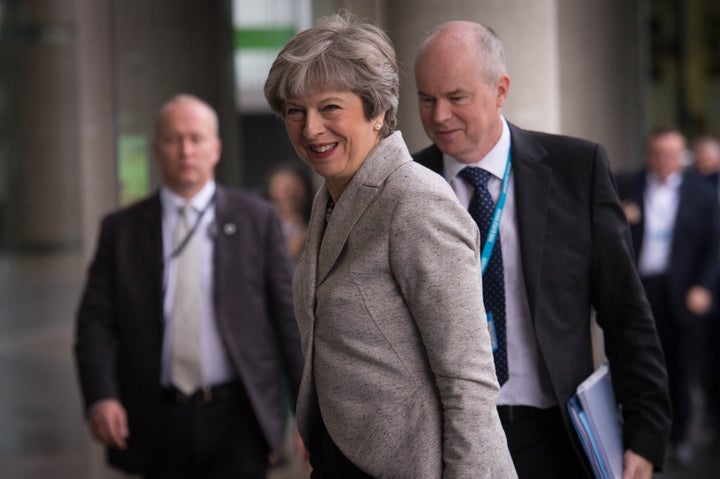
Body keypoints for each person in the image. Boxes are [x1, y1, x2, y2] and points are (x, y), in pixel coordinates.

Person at [413, 21, 671, 478]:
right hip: (446, 442)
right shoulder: (407, 187)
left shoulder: (577, 170)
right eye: (426, 99)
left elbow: (626, 312)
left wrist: (645, 436)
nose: (439, 116)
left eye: (457, 98)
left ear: (500, 90)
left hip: (554, 437)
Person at [264, 12, 516, 479]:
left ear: (377, 111)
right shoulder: (330, 197)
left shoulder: (415, 200)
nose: (311, 128)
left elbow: (469, 380)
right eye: (295, 111)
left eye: (330, 108)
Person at [74, 94, 304, 478]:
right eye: (173, 139)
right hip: (156, 418)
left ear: (215, 149)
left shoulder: (256, 221)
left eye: (196, 139)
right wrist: (102, 396)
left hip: (238, 418)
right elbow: (95, 324)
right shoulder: (121, 230)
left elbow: (287, 320)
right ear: (156, 149)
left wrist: (304, 414)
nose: (185, 150)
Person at [616, 128, 720, 466]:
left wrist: (704, 287)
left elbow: (714, 245)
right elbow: (599, 226)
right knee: (637, 364)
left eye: (672, 154)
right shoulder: (628, 186)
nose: (665, 161)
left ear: (682, 156)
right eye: (659, 154)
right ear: (649, 154)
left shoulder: (701, 193)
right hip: (639, 288)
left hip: (681, 292)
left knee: (679, 367)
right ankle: (636, 435)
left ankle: (680, 435)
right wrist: (620, 217)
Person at [265, 162, 314, 264]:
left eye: (294, 187)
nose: (289, 194)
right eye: (282, 188)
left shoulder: (318, 222)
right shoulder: (262, 225)